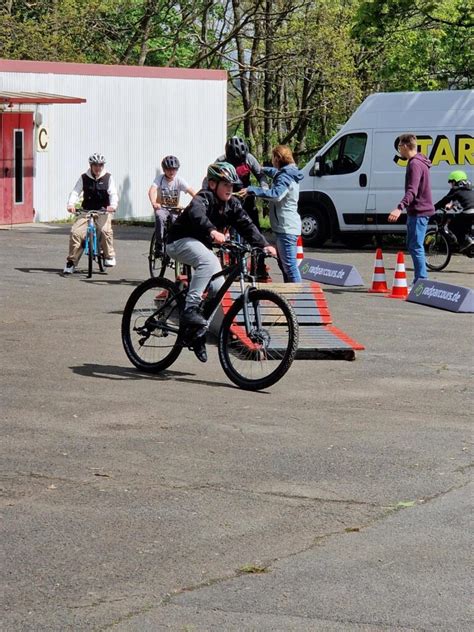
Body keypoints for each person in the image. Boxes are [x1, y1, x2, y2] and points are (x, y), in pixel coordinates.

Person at [166, 161, 276, 362]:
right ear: (213, 184)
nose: (229, 189)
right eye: (225, 184)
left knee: (218, 288)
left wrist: (264, 244)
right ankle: (190, 310)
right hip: (178, 241)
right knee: (208, 260)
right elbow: (195, 214)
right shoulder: (204, 197)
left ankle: (198, 332)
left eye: (232, 185)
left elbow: (246, 224)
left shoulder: (232, 204)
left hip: (201, 247)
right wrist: (211, 230)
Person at [241, 145, 304, 283]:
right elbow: (275, 173)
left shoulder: (285, 177)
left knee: (290, 268)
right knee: (284, 265)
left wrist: (252, 189)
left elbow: (276, 195)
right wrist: (260, 169)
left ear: (278, 158)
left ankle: (298, 297)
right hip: (288, 226)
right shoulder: (289, 173)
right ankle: (290, 296)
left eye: (273, 158)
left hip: (286, 228)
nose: (272, 161)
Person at [215, 137, 270, 280]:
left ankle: (260, 265)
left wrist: (261, 189)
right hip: (229, 198)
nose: (238, 162)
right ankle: (235, 266)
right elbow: (210, 179)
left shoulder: (249, 158)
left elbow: (261, 176)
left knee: (255, 231)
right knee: (233, 235)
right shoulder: (221, 160)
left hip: (247, 197)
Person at [388, 134, 435, 283]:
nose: (399, 150)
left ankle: (421, 281)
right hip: (417, 210)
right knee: (412, 244)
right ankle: (420, 279)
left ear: (406, 146)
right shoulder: (419, 161)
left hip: (419, 211)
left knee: (416, 246)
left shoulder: (415, 164)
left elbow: (412, 190)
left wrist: (399, 207)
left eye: (399, 147)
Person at [63, 153, 118, 274]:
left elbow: (113, 193)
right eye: (95, 165)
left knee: (105, 231)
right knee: (75, 232)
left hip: (103, 211)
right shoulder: (84, 177)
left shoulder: (108, 178)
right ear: (91, 165)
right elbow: (75, 192)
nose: (98, 168)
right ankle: (71, 262)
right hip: (86, 211)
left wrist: (113, 206)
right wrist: (71, 204)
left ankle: (109, 256)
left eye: (100, 165)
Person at [148, 155, 196, 256]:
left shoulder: (179, 180)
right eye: (169, 169)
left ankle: (176, 245)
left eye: (174, 169)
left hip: (175, 209)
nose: (172, 172)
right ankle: (159, 244)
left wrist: (198, 201)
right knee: (160, 217)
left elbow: (191, 191)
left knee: (178, 224)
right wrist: (154, 202)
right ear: (164, 170)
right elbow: (152, 190)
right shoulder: (160, 179)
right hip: (162, 207)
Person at [435, 170, 474, 251]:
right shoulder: (468, 189)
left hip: (469, 211)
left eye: (451, 182)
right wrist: (452, 205)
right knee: (465, 225)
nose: (451, 185)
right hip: (471, 211)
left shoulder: (455, 190)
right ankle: (470, 244)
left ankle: (466, 243)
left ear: (456, 181)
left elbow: (445, 200)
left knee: (452, 224)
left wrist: (433, 208)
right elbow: (463, 200)